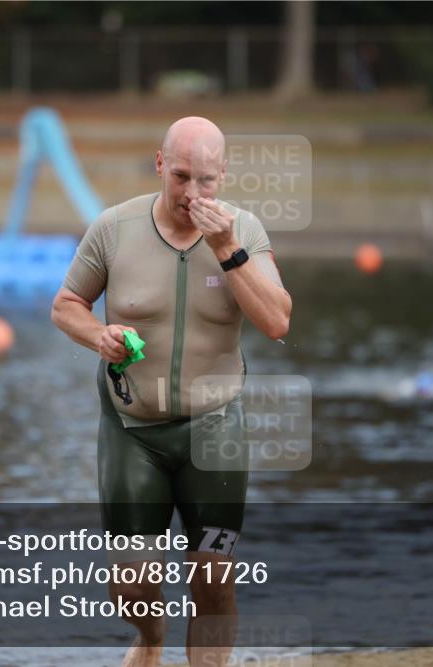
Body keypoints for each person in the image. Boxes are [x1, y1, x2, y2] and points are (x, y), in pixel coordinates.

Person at [51, 116, 292, 667]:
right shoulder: (113, 228)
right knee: (132, 585)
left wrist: (228, 247)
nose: (192, 193)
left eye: (206, 180)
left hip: (215, 429)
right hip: (132, 429)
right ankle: (151, 639)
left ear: (223, 176)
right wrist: (98, 335)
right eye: (181, 175)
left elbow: (277, 322)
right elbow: (66, 306)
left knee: (213, 578)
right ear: (159, 164)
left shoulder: (245, 232)